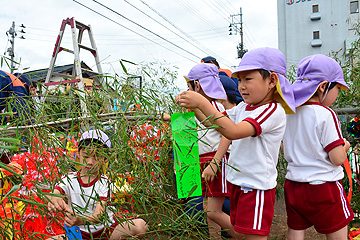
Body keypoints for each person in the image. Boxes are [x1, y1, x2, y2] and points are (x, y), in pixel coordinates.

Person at [176, 47, 295, 240]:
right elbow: (212, 123)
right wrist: (195, 106)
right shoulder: (243, 108)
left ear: (272, 81)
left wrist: (202, 103)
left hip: (256, 188)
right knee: (239, 233)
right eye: (239, 80)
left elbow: (231, 131)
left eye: (248, 79)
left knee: (253, 236)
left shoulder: (271, 110)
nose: (241, 86)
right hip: (239, 183)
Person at [282, 54, 354, 240]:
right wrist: (345, 146)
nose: (338, 94)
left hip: (294, 186)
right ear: (323, 86)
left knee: (295, 231)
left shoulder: (288, 113)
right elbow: (337, 158)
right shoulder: (325, 114)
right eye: (337, 88)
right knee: (337, 231)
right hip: (324, 187)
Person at [47, 129, 147, 240]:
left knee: (141, 226)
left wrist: (81, 220)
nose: (90, 162)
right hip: (78, 234)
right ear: (78, 154)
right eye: (86, 156)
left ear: (105, 159)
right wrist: (54, 198)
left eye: (96, 157)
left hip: (105, 232)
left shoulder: (104, 182)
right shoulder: (70, 178)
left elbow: (98, 216)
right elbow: (55, 192)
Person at [183, 63, 236, 239]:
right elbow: (207, 122)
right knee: (210, 211)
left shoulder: (216, 107)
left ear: (197, 86)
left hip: (215, 160)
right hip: (207, 161)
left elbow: (226, 135)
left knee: (213, 211)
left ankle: (243, 236)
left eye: (189, 87)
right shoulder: (211, 106)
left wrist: (215, 162)